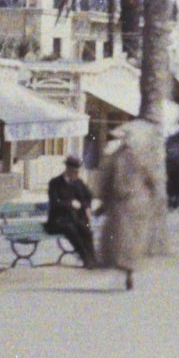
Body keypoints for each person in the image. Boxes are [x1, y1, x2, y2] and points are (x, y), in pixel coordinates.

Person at [97, 121, 161, 290]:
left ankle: (124, 267)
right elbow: (152, 180)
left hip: (123, 204)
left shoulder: (114, 158)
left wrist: (104, 202)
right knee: (131, 239)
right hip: (137, 203)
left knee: (121, 239)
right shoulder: (139, 157)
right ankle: (128, 269)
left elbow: (105, 183)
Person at [46, 155, 99, 268]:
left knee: (86, 230)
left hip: (74, 218)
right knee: (72, 230)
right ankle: (86, 259)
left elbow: (88, 197)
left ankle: (93, 258)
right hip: (58, 220)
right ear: (68, 169)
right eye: (75, 172)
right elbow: (55, 202)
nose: (77, 175)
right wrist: (70, 203)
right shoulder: (55, 183)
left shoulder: (78, 183)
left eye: (78, 172)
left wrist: (87, 208)